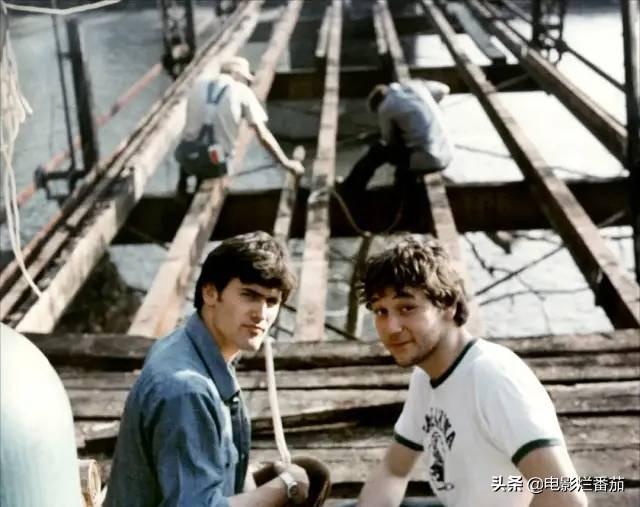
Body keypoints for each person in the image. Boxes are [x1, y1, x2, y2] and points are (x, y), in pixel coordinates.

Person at [355, 237, 587, 507]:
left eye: (407, 308)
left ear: (448, 306)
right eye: (381, 311)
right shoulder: (426, 376)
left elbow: (564, 497)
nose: (391, 327)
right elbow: (393, 470)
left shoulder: (493, 377)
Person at [105, 232, 313, 506]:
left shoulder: (186, 344)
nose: (261, 314)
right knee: (302, 480)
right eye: (249, 295)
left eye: (271, 302)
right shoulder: (187, 389)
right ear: (210, 292)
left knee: (313, 472)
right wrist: (286, 488)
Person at [176, 56, 303, 194]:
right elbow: (263, 135)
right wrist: (286, 163)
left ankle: (182, 185)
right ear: (236, 74)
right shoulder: (242, 91)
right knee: (218, 154)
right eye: (245, 79)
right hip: (216, 162)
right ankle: (207, 185)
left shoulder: (198, 84)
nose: (246, 83)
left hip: (185, 156)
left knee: (194, 141)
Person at [338, 80, 453, 203]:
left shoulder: (385, 106)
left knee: (377, 152)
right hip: (446, 153)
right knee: (404, 167)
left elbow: (388, 140)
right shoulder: (415, 87)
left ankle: (350, 189)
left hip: (428, 158)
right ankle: (401, 199)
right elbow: (444, 89)